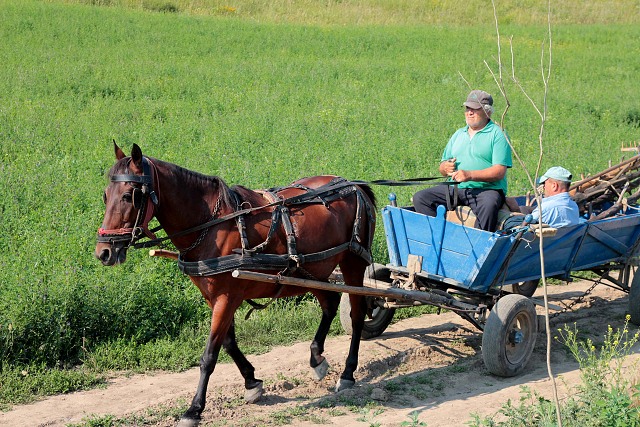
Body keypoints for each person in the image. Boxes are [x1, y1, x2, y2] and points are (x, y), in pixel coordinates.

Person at [413, 89, 512, 232]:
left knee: (489, 205)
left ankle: (479, 246)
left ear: (487, 112)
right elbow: (442, 166)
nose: (469, 112)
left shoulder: (498, 134)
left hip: (486, 190)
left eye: (475, 109)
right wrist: (445, 168)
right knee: (421, 198)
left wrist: (470, 175)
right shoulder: (459, 134)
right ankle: (437, 238)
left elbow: (499, 172)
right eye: (467, 108)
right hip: (456, 188)